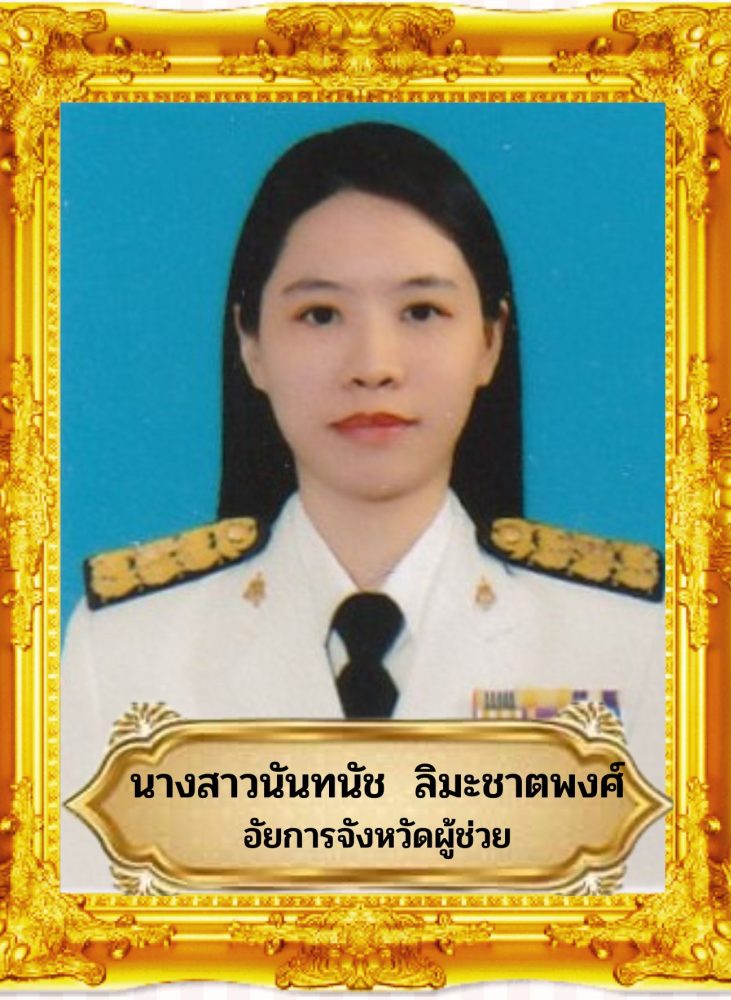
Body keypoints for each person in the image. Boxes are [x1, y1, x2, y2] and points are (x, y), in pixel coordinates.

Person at [61, 122, 664, 891]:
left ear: (489, 340)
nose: (373, 366)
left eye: (421, 312)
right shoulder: (124, 649)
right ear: (250, 342)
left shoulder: (627, 640)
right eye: (319, 315)